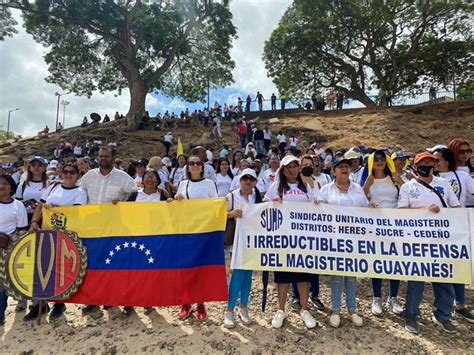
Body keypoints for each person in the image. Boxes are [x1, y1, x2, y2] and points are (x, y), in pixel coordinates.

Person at [398, 152, 460, 334]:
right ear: (415, 167)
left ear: (435, 165)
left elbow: (455, 207)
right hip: (417, 240)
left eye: (430, 162)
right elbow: (401, 211)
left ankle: (443, 315)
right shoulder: (408, 187)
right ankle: (410, 314)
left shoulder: (444, 184)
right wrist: (424, 210)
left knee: (443, 278)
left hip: (442, 240)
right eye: (422, 163)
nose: (426, 165)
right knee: (416, 279)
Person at [79, 146, 137, 314]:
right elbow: (81, 196)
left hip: (115, 228)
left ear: (113, 158)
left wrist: (122, 206)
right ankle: (94, 299)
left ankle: (124, 300)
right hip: (93, 228)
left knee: (117, 264)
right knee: (94, 265)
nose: (103, 158)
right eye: (100, 156)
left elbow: (135, 193)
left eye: (106, 156)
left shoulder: (123, 177)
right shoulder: (88, 177)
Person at [27, 163, 87, 321]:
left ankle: (59, 303)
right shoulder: (53, 187)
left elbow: (75, 213)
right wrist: (34, 221)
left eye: (72, 172)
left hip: (65, 236)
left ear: (77, 174)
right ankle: (40, 304)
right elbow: (40, 205)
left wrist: (54, 207)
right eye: (65, 172)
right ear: (61, 173)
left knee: (61, 270)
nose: (68, 174)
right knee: (42, 267)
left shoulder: (80, 192)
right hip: (46, 232)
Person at [264, 155, 317, 329]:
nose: (292, 169)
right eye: (288, 167)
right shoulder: (275, 187)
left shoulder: (306, 187)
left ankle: (304, 309)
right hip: (283, 239)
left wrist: (317, 204)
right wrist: (272, 203)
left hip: (303, 240)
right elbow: (263, 207)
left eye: (295, 166)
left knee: (302, 276)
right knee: (283, 276)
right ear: (283, 170)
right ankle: (280, 310)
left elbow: (314, 206)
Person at [318, 158, 368, 328]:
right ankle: (336, 309)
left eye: (347, 166)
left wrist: (372, 208)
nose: (344, 169)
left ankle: (352, 309)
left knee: (351, 275)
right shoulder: (325, 190)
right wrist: (316, 205)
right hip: (334, 238)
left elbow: (365, 209)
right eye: (340, 167)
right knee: (337, 274)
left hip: (354, 238)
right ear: (333, 172)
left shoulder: (358, 189)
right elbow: (316, 213)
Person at [174, 155, 218, 321]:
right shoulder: (183, 184)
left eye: (197, 163)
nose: (194, 166)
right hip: (186, 231)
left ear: (202, 167)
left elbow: (215, 206)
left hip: (204, 231)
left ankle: (200, 303)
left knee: (201, 269)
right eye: (191, 163)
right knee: (186, 268)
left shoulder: (209, 184)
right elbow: (179, 206)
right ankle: (186, 303)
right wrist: (176, 199)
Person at [433, 147, 474, 323]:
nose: (434, 163)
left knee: (458, 265)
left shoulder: (463, 177)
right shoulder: (429, 179)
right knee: (438, 266)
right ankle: (442, 307)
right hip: (436, 228)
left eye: (437, 160)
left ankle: (460, 304)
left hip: (457, 225)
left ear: (447, 161)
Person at [362, 151, 404, 316]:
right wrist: (366, 187)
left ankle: (393, 297)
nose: (379, 161)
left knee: (395, 261)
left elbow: (407, 194)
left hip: (396, 224)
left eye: (382, 159)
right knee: (378, 261)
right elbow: (360, 199)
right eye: (376, 159)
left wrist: (400, 181)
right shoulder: (369, 180)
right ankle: (377, 297)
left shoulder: (394, 178)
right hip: (376, 225)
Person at [223, 169, 262, 328]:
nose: (247, 181)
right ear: (240, 180)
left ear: (255, 182)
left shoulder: (257, 197)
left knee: (248, 275)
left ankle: (244, 307)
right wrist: (231, 213)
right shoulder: (231, 196)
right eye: (245, 178)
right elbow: (219, 213)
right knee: (238, 274)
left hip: (252, 242)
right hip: (237, 242)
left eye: (251, 179)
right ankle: (229, 310)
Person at [0, 174, 28, 326]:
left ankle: (21, 300)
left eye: (5, 183)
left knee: (15, 277)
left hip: (10, 247)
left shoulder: (18, 205)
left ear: (11, 186)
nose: (1, 186)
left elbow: (22, 229)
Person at [14, 156, 48, 224]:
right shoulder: (22, 185)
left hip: (45, 218)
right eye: (33, 165)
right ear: (30, 168)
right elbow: (17, 204)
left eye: (39, 165)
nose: (36, 167)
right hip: (25, 218)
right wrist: (28, 205)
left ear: (44, 168)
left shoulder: (50, 185)